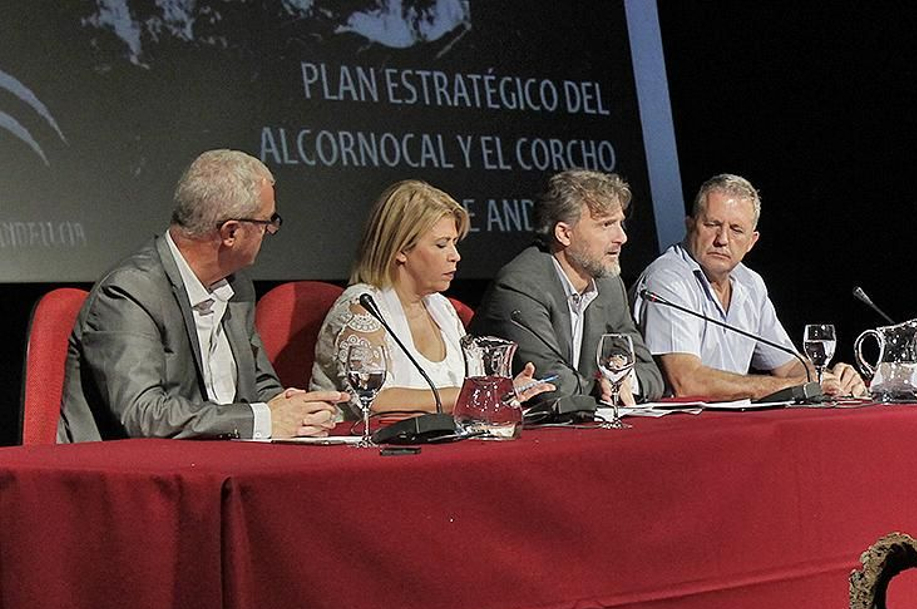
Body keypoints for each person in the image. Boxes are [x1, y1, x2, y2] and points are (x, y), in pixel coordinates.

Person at [57, 149, 344, 441]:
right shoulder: (131, 292)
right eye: (267, 222)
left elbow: (259, 386)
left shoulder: (237, 287)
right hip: (130, 472)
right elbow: (144, 415)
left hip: (220, 460)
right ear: (231, 232)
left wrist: (293, 408)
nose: (270, 231)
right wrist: (263, 419)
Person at [311, 179, 550, 414]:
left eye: (454, 244)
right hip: (364, 448)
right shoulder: (362, 306)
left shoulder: (442, 308)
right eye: (441, 245)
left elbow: (477, 385)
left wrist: (506, 392)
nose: (455, 256)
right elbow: (376, 400)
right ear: (402, 249)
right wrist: (477, 394)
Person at [631, 174, 866, 400]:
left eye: (736, 230)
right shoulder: (667, 279)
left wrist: (830, 378)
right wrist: (791, 386)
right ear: (690, 225)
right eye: (713, 224)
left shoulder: (750, 283)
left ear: (751, 242)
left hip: (730, 425)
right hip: (675, 429)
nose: (722, 239)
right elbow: (687, 382)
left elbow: (789, 366)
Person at [473, 169, 665, 405]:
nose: (622, 237)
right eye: (606, 224)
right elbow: (550, 385)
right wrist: (604, 383)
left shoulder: (609, 284)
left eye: (620, 223)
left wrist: (626, 379)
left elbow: (652, 376)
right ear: (564, 233)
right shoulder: (520, 285)